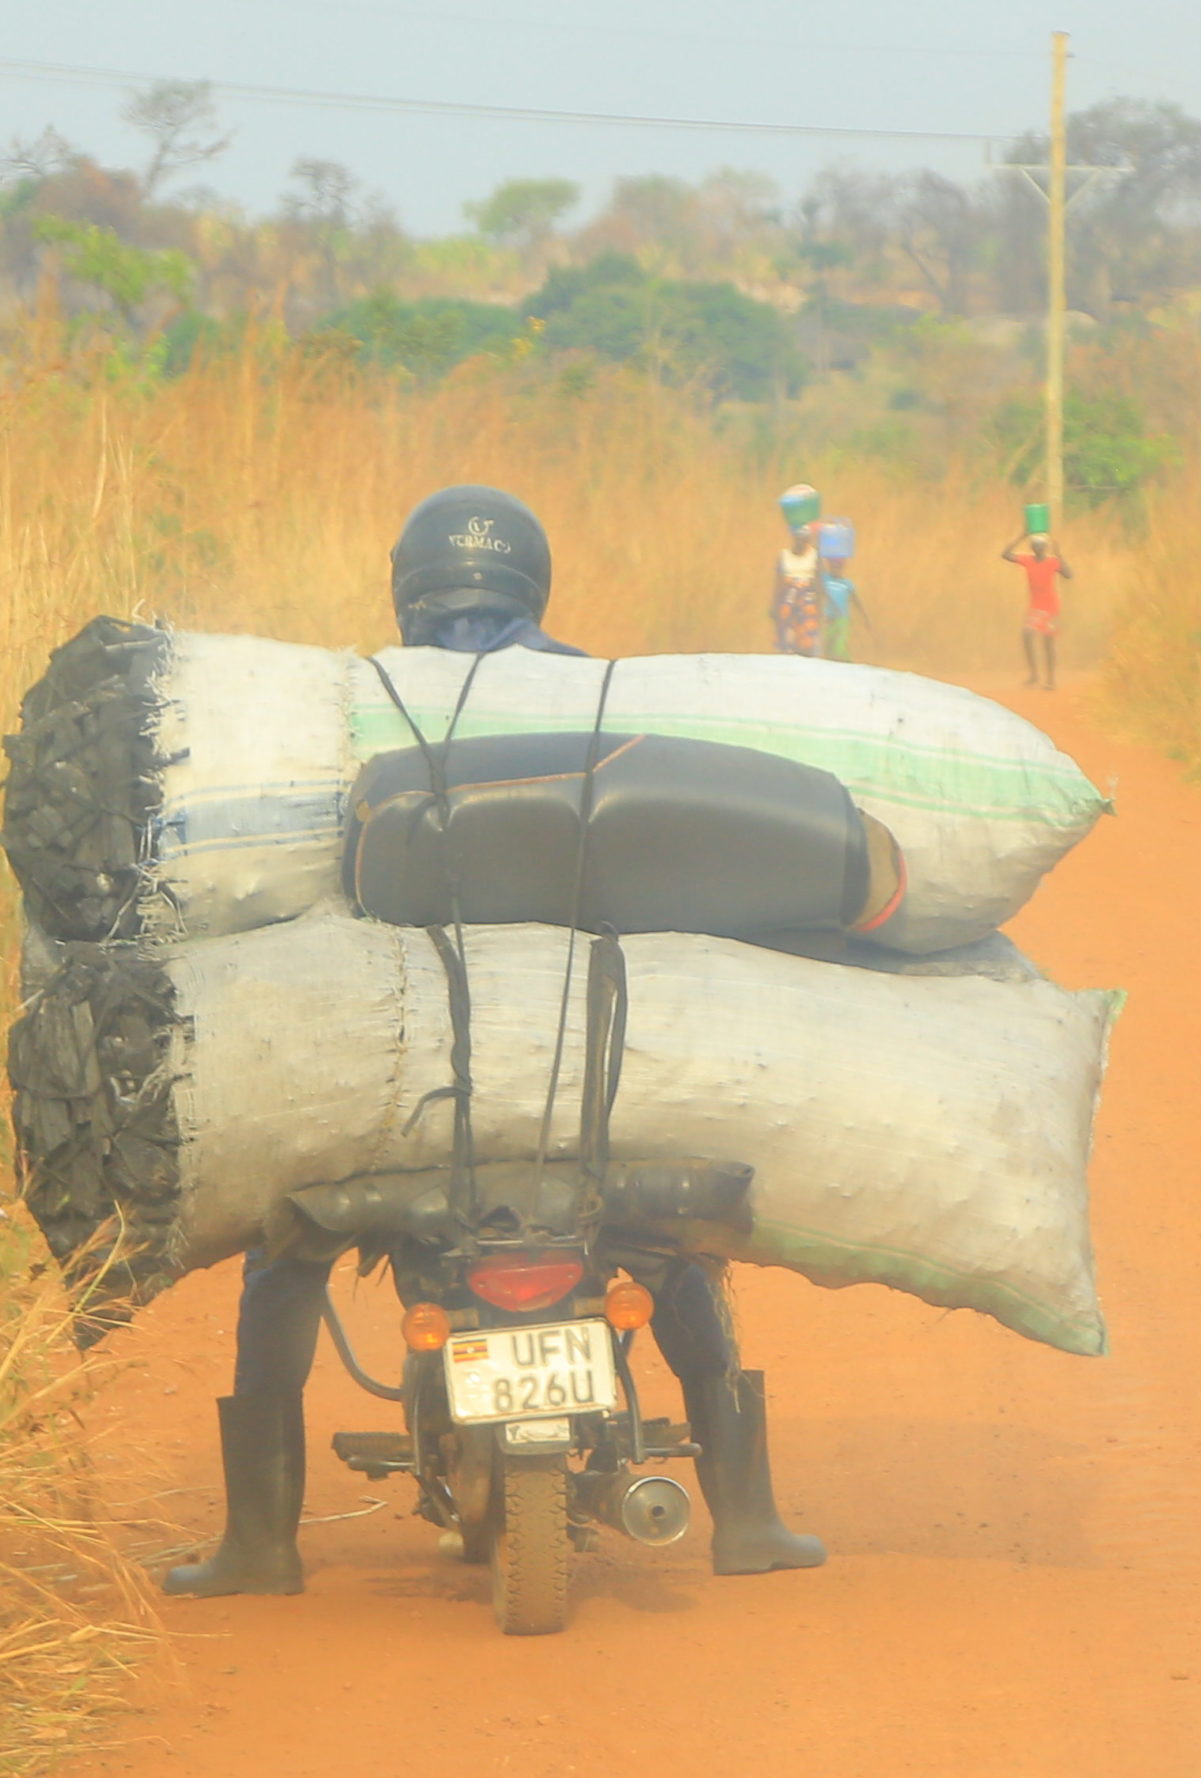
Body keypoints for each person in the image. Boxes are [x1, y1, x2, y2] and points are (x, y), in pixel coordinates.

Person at [166, 482, 826, 1598]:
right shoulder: (597, 696)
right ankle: (748, 1516)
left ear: (409, 586)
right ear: (534, 579)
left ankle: (261, 1541)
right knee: (668, 1250)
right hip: (585, 1076)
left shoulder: (359, 702)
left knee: (284, 1257)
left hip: (396, 1089)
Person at [1001, 520, 1072, 690]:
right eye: (1035, 545)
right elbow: (1005, 554)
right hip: (1035, 607)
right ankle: (1033, 674)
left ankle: (1050, 680)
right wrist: (1021, 536)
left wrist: (1059, 554)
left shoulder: (1053, 562)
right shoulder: (1028, 560)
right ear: (1032, 547)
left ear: (1045, 547)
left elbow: (1068, 575)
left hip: (1051, 608)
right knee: (1027, 635)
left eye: (1040, 545)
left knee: (1048, 642)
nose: (1037, 548)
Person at [771, 484, 827, 657]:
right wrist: (774, 607)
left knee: (807, 646)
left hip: (807, 604)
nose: (801, 540)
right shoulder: (784, 556)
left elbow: (819, 584)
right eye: (798, 537)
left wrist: (820, 607)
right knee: (788, 644)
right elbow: (778, 585)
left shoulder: (815, 555)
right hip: (788, 604)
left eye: (804, 537)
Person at [816, 515, 857, 661]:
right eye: (833, 565)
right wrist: (819, 540)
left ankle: (847, 662)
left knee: (839, 645)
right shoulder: (825, 578)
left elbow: (856, 601)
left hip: (843, 618)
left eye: (838, 565)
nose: (836, 567)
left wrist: (865, 618)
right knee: (828, 643)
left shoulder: (847, 583)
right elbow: (817, 565)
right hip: (829, 618)